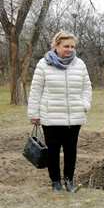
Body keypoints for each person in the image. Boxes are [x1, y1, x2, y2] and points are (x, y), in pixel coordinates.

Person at [27, 31, 92, 192]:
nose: (69, 49)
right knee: (53, 152)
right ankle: (55, 182)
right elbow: (36, 90)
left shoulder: (80, 64)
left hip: (74, 118)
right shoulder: (43, 64)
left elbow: (87, 87)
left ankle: (69, 181)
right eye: (66, 46)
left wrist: (84, 104)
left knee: (71, 151)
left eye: (72, 46)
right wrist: (34, 114)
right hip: (51, 117)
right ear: (56, 46)